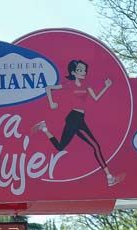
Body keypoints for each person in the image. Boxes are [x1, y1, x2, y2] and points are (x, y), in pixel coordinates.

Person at [34, 59, 120, 187]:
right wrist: (51, 103)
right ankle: (109, 178)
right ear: (73, 72)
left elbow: (96, 98)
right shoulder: (69, 84)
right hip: (73, 118)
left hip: (79, 119)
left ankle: (44, 128)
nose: (83, 72)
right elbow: (48, 88)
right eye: (80, 70)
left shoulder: (86, 85)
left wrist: (106, 86)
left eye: (84, 70)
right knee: (94, 146)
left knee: (62, 147)